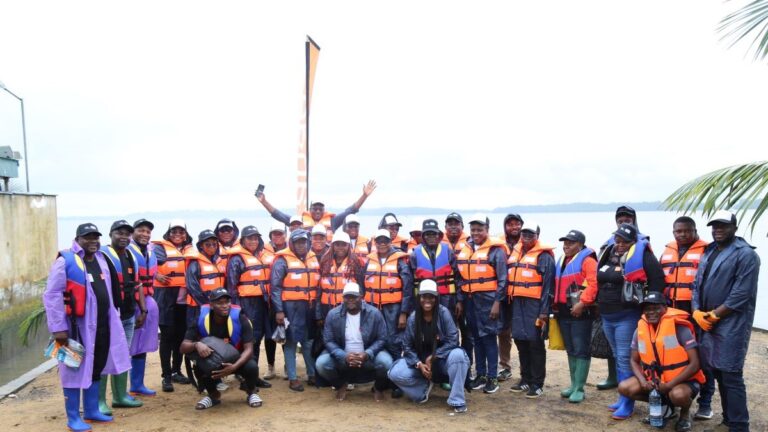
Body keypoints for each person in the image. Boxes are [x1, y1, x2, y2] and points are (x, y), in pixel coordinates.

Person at [42, 223, 131, 431]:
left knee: (97, 366)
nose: (93, 241)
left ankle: (91, 410)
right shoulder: (66, 261)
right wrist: (58, 329)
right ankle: (73, 417)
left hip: (101, 325)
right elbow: (52, 295)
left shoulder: (101, 259)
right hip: (73, 328)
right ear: (78, 239)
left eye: (95, 237)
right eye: (87, 237)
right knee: (71, 370)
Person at [692, 211, 760, 432]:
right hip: (707, 323)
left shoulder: (746, 254)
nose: (718, 230)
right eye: (714, 226)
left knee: (731, 374)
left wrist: (714, 315)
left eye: (723, 226)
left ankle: (740, 426)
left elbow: (741, 294)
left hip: (732, 323)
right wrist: (696, 312)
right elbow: (697, 285)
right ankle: (728, 421)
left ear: (735, 227)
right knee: (717, 372)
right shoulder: (710, 250)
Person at [597, 222, 665, 420]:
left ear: (633, 242)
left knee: (625, 358)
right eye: (617, 240)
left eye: (624, 241)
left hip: (626, 315)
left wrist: (651, 307)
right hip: (607, 316)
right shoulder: (609, 253)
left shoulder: (643, 255)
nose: (619, 244)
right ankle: (622, 396)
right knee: (618, 356)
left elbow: (657, 280)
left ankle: (627, 402)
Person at [619, 292, 705, 432]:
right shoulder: (640, 331)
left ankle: (684, 413)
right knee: (624, 387)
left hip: (682, 381)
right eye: (647, 309)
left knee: (677, 395)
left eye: (656, 308)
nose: (651, 312)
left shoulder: (679, 329)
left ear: (665, 308)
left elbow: (695, 364)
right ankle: (666, 407)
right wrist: (643, 381)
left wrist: (669, 385)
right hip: (655, 381)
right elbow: (633, 361)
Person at [388, 280, 470, 413]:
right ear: (419, 298)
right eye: (424, 296)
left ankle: (457, 399)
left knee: (459, 355)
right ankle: (422, 389)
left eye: (431, 296)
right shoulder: (413, 318)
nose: (427, 300)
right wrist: (419, 363)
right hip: (421, 364)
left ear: (436, 298)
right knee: (394, 372)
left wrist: (434, 356)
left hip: (443, 361)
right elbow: (407, 346)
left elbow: (453, 339)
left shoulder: (444, 313)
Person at [180, 288, 263, 410]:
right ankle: (213, 395)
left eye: (227, 302)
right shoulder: (201, 318)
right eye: (220, 303)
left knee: (252, 366)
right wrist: (196, 344)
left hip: (237, 359)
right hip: (214, 360)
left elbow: (249, 349)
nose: (225, 306)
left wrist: (234, 367)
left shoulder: (241, 318)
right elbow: (183, 347)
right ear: (212, 305)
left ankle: (251, 392)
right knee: (199, 366)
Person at [595, 205, 650, 392]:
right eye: (620, 218)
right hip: (607, 309)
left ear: (634, 219)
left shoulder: (642, 243)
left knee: (626, 353)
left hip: (627, 310)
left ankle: (629, 390)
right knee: (613, 350)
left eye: (627, 217)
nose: (623, 220)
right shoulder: (608, 244)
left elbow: (650, 276)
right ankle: (615, 380)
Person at [409, 218, 471, 374]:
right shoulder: (415, 254)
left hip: (447, 300)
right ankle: (425, 366)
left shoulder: (447, 251)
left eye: (433, 234)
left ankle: (448, 367)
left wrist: (459, 300)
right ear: (423, 236)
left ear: (439, 235)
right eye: (427, 234)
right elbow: (411, 281)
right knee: (425, 334)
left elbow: (457, 277)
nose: (431, 237)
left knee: (447, 333)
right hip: (424, 301)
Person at [98, 220, 147, 412]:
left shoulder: (130, 256)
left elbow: (137, 284)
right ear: (110, 234)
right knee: (103, 357)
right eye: (120, 233)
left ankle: (120, 396)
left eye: (127, 234)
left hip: (128, 315)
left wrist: (142, 310)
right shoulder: (102, 256)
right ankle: (100, 401)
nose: (124, 237)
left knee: (123, 354)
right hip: (109, 316)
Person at [456, 214, 507, 394]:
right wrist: (460, 300)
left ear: (487, 229)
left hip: (488, 300)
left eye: (480, 229)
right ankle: (481, 374)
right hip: (470, 301)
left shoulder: (496, 251)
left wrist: (497, 303)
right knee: (476, 338)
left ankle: (492, 377)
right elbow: (461, 277)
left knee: (489, 338)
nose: (476, 232)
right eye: (473, 229)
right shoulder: (466, 248)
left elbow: (502, 280)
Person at [315, 282, 392, 401]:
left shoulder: (374, 313)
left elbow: (382, 338)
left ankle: (378, 387)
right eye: (347, 297)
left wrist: (367, 354)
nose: (350, 300)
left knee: (387, 362)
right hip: (342, 357)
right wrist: (344, 356)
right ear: (343, 298)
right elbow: (328, 340)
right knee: (321, 364)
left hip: (368, 356)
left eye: (354, 297)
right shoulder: (333, 314)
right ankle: (340, 385)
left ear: (361, 297)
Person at [507, 222, 555, 398]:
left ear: (538, 235)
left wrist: (544, 311)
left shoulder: (544, 257)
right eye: (524, 233)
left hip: (535, 306)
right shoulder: (516, 252)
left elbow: (548, 286)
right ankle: (525, 379)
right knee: (520, 342)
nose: (526, 237)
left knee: (535, 343)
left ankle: (537, 383)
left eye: (531, 234)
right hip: (517, 303)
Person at [364, 228, 413, 398]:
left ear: (390, 242)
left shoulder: (401, 261)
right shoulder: (368, 261)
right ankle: (380, 381)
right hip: (373, 310)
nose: (382, 244)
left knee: (394, 345)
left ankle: (396, 383)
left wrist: (404, 313)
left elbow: (407, 289)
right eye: (379, 241)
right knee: (375, 343)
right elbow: (363, 287)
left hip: (394, 309)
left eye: (385, 240)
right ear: (375, 243)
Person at [270, 229, 321, 392]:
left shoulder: (313, 258)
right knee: (291, 342)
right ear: (291, 243)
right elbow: (275, 288)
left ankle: (311, 373)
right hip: (290, 307)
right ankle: (292, 378)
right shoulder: (282, 260)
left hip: (309, 306)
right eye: (298, 242)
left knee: (308, 341)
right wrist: (279, 310)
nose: (301, 245)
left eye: (304, 242)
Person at [225, 225, 275, 389]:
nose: (253, 241)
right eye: (249, 238)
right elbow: (231, 287)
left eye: (255, 238)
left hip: (262, 303)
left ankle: (253, 375)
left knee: (257, 339)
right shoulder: (237, 259)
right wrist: (238, 310)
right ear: (243, 240)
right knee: (249, 341)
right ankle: (247, 377)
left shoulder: (261, 256)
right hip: (247, 305)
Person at [553, 229, 598, 403]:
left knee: (581, 349)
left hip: (581, 312)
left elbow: (594, 284)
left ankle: (579, 388)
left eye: (571, 243)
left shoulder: (588, 260)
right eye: (565, 242)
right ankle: (573, 385)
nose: (566, 246)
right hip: (564, 312)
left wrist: (582, 302)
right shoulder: (563, 260)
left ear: (580, 245)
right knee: (571, 349)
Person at [256, 180, 377, 240]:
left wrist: (364, 196)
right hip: (308, 258)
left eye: (321, 208)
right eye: (315, 208)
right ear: (310, 209)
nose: (318, 211)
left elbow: (351, 210)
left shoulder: (333, 221)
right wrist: (264, 202)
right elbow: (278, 215)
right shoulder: (300, 220)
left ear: (324, 210)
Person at [152, 219, 194, 392]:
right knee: (167, 339)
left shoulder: (190, 249)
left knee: (180, 337)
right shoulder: (159, 248)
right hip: (166, 299)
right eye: (174, 232)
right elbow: (146, 265)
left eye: (181, 232)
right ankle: (166, 376)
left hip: (184, 302)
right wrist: (155, 275)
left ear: (186, 233)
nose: (177, 235)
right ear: (168, 234)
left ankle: (177, 371)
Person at [128, 219, 162, 397]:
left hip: (147, 300)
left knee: (141, 345)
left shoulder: (150, 251)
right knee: (126, 345)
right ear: (133, 232)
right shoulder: (126, 251)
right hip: (131, 303)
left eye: (148, 232)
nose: (145, 234)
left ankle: (137, 384)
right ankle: (122, 392)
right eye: (141, 230)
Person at [317, 230, 365, 320]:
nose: (340, 247)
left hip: (348, 306)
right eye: (337, 244)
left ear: (349, 246)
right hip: (326, 306)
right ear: (333, 246)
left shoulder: (355, 262)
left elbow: (361, 287)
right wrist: (318, 313)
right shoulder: (324, 261)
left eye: (344, 244)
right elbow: (319, 290)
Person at [497, 213, 523, 382]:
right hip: (504, 294)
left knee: (522, 333)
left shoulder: (529, 242)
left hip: (522, 295)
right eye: (510, 224)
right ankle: (505, 366)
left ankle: (526, 370)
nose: (514, 227)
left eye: (517, 224)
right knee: (503, 332)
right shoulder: (498, 244)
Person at [185, 230, 225, 325]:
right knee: (198, 333)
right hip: (198, 306)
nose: (212, 247)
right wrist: (206, 304)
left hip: (217, 305)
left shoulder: (219, 262)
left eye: (214, 244)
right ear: (201, 246)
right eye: (208, 244)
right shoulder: (195, 263)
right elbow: (192, 287)